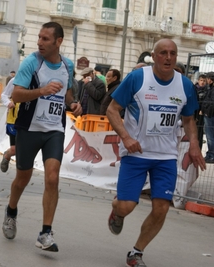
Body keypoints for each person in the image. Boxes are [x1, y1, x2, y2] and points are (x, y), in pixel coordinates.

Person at [106, 39, 206, 267]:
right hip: (136, 154)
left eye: (172, 53)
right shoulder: (137, 79)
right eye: (163, 53)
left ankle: (136, 252)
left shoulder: (185, 85)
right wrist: (126, 138)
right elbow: (112, 110)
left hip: (166, 157)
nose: (168, 57)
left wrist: (193, 144)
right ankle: (117, 210)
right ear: (154, 55)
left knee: (161, 208)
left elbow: (189, 119)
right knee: (126, 205)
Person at [1, 22, 81, 252]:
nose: (39, 42)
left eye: (45, 39)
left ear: (58, 42)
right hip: (29, 129)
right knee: (22, 179)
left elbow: (67, 93)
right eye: (39, 37)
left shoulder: (68, 65)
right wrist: (41, 91)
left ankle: (45, 232)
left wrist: (73, 104)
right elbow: (16, 94)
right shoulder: (31, 62)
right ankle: (11, 212)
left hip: (54, 129)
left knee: (53, 178)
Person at [0, 77, 17, 172]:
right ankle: (7, 155)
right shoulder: (16, 80)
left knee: (24, 149)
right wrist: (8, 102)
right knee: (14, 149)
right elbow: (4, 95)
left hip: (29, 121)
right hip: (14, 119)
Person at [201, 72, 214, 163]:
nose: (207, 80)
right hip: (209, 114)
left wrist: (205, 111)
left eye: (208, 78)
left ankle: (211, 155)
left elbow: (210, 103)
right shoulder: (209, 88)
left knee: (210, 137)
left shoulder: (212, 89)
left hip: (209, 115)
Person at [194, 74, 207, 150]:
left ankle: (199, 148)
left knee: (200, 131)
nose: (202, 82)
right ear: (198, 81)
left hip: (201, 113)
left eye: (204, 81)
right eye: (201, 80)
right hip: (193, 112)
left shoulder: (207, 90)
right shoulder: (194, 89)